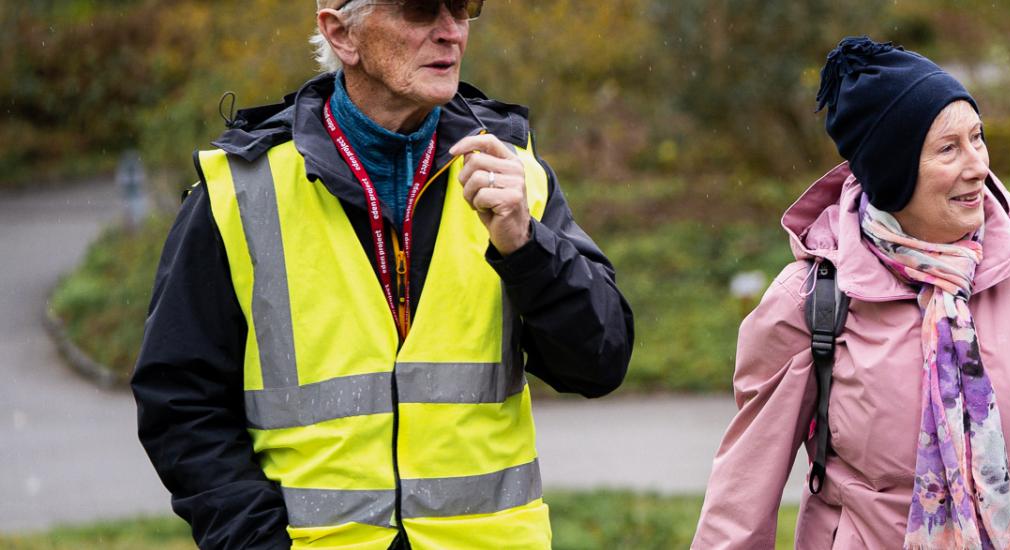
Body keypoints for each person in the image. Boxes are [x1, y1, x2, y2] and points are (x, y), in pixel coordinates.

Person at [131, 1, 634, 548]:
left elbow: (600, 362)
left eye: (462, 8)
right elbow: (179, 400)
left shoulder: (513, 173)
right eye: (419, 10)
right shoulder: (241, 189)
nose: (450, 33)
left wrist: (526, 247)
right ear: (341, 34)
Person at [692, 37, 1010, 549]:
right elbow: (742, 497)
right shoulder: (813, 300)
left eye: (978, 138)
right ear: (894, 174)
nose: (978, 164)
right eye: (949, 149)